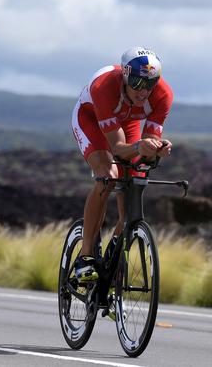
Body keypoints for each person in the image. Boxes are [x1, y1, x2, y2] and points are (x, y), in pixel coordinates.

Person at [71, 47, 173, 282]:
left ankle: (116, 257)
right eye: (137, 83)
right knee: (108, 174)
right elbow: (117, 148)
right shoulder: (104, 87)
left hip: (127, 123)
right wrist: (139, 147)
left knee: (133, 185)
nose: (144, 91)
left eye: (151, 84)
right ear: (126, 76)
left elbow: (148, 144)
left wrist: (158, 148)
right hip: (91, 119)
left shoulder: (163, 95)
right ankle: (85, 256)